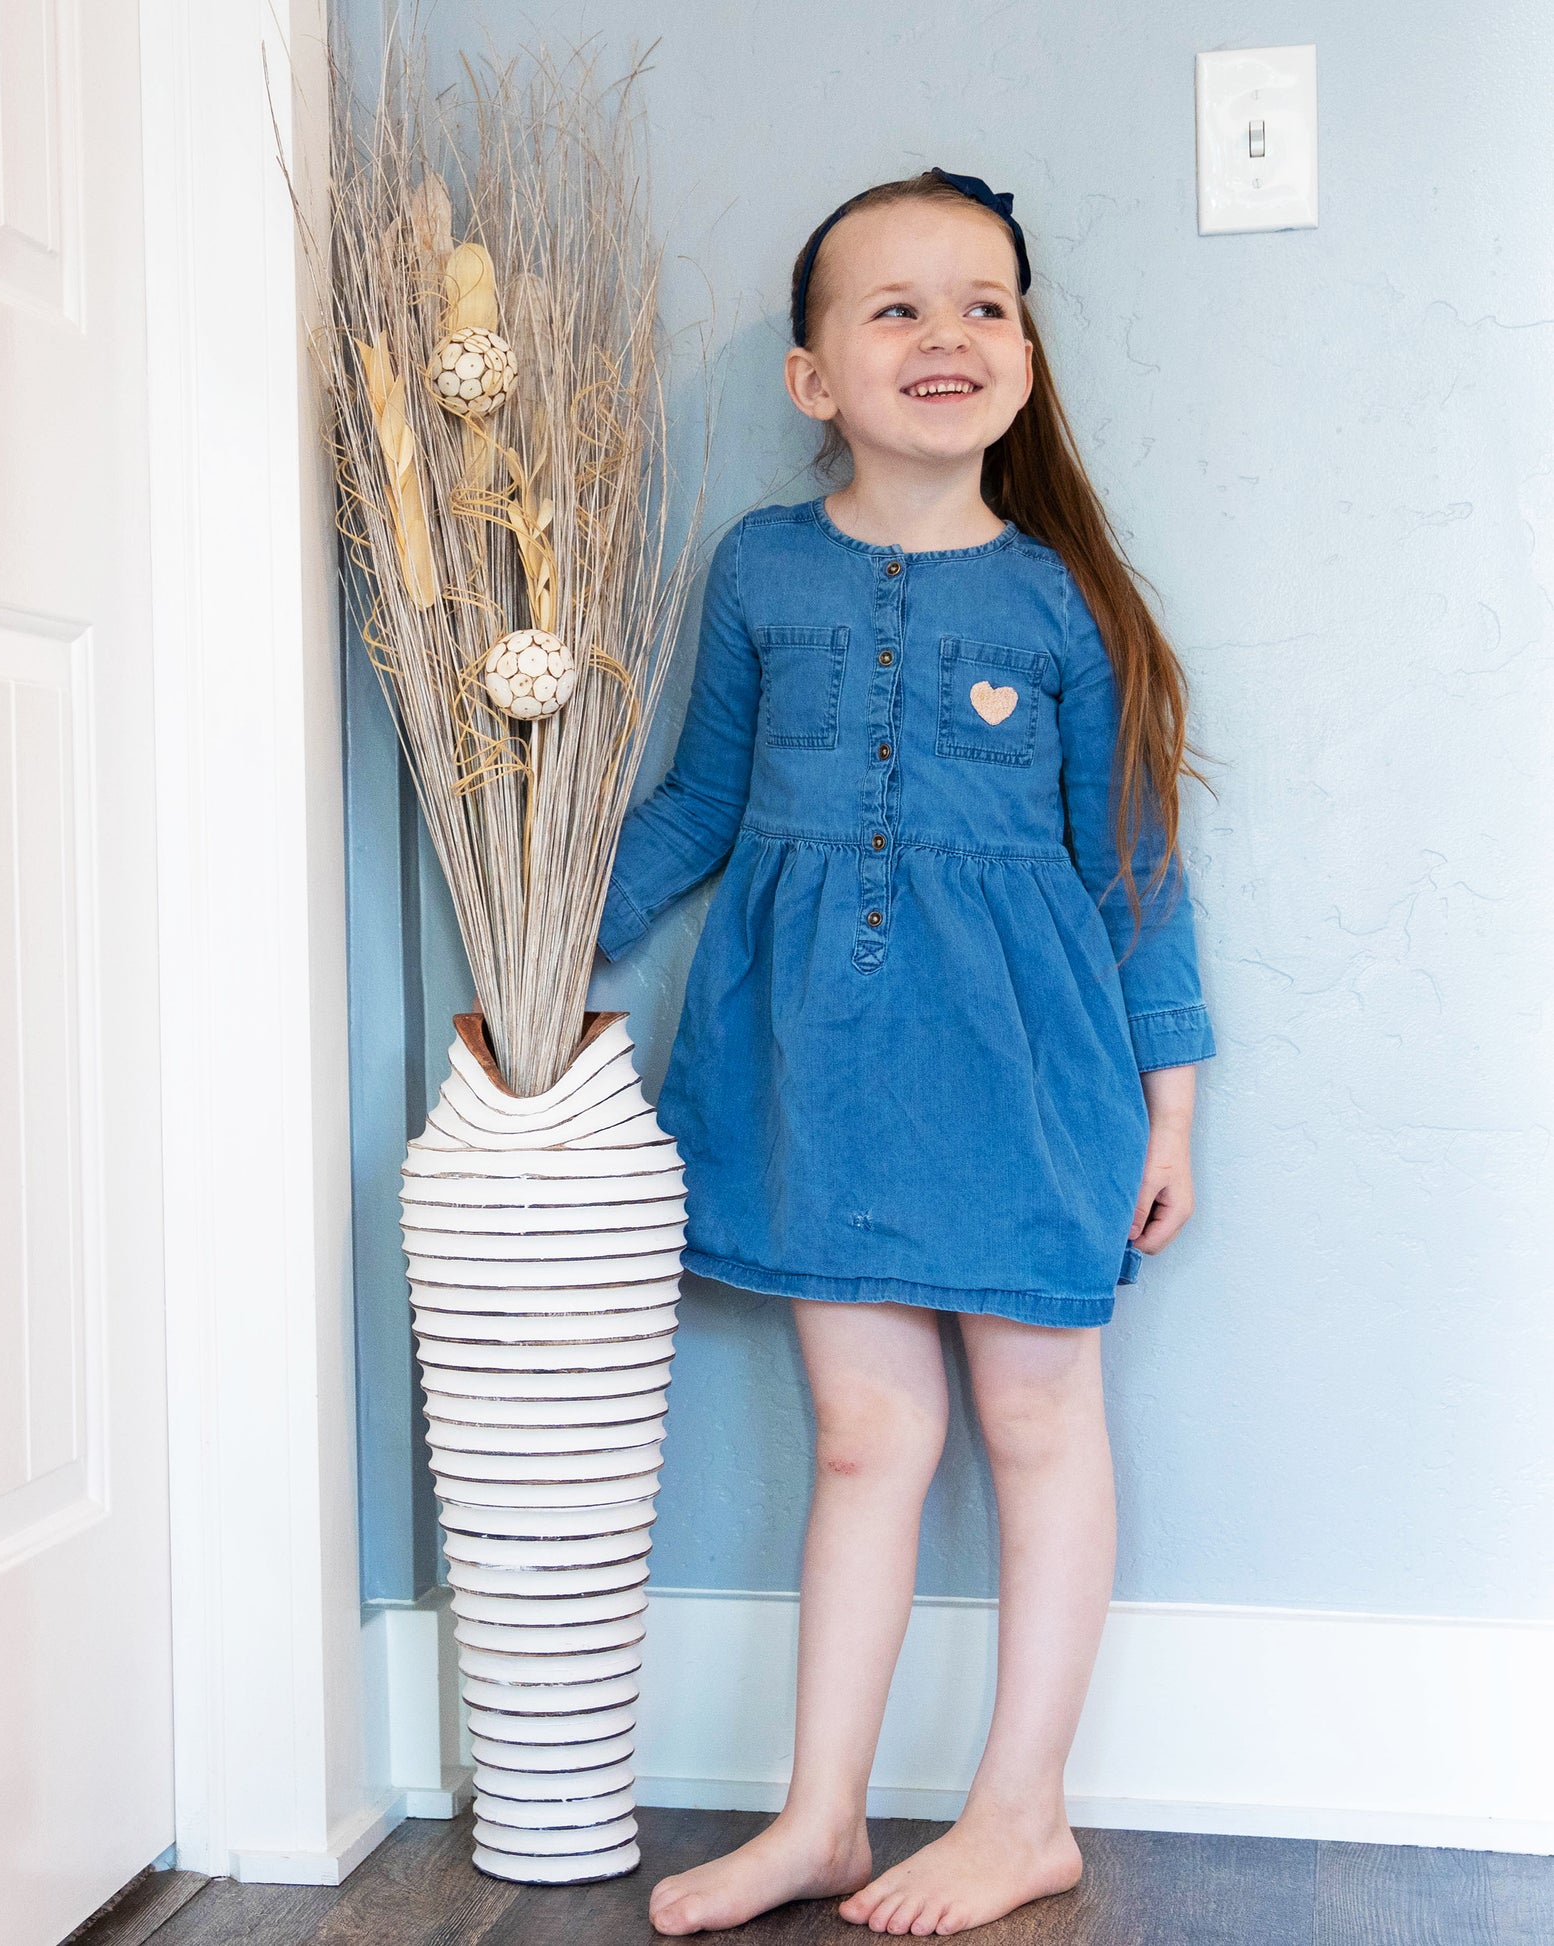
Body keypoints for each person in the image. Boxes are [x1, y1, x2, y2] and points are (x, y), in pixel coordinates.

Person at [594, 168, 1216, 1937]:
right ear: (811, 379)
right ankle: (819, 1816)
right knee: (865, 1438)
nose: (944, 336)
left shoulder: (1062, 606)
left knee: (1036, 1422)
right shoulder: (762, 570)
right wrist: (543, 908)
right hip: (818, 1069)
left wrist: (1170, 1102)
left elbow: (1134, 866)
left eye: (983, 305)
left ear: (1023, 357)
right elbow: (702, 801)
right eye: (894, 307)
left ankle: (1022, 1811)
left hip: (1034, 1084)